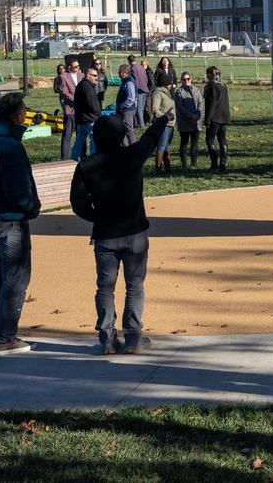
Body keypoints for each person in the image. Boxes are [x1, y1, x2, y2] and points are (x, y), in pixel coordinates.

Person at [69, 108, 172, 355]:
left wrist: (98, 216)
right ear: (120, 137)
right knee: (134, 286)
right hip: (134, 231)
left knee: (105, 287)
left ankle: (106, 338)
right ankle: (133, 338)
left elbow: (78, 203)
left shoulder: (86, 166)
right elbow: (150, 138)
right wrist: (162, 119)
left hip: (105, 233)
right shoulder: (132, 156)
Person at [0, 93, 41, 356]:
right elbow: (17, 189)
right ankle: (5, 337)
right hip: (9, 220)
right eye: (23, 111)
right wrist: (31, 206)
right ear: (14, 115)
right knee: (14, 279)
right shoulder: (9, 146)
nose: (26, 115)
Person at [203, 65, 231, 172]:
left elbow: (212, 103)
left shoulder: (212, 86)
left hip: (214, 117)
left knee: (210, 140)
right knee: (222, 139)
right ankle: (222, 165)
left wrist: (208, 119)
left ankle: (214, 165)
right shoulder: (223, 86)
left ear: (210, 75)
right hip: (224, 116)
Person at [71, 65, 101, 162]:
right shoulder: (86, 86)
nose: (96, 78)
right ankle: (93, 159)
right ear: (88, 75)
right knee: (94, 138)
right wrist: (98, 112)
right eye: (94, 75)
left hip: (82, 118)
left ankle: (74, 158)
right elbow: (92, 103)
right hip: (89, 118)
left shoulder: (82, 85)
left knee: (80, 139)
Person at [174, 71, 203, 169]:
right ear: (181, 81)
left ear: (191, 79)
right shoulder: (179, 91)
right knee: (184, 143)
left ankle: (194, 163)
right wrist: (191, 116)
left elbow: (200, 103)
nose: (186, 81)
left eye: (188, 79)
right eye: (184, 79)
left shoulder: (196, 90)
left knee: (195, 143)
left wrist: (198, 115)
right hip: (185, 121)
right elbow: (180, 107)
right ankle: (184, 163)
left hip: (196, 122)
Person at [149, 73, 176, 172]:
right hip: (163, 123)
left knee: (166, 145)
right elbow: (155, 109)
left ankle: (168, 166)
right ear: (165, 83)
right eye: (169, 83)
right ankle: (158, 168)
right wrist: (165, 117)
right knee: (162, 145)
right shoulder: (158, 93)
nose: (171, 85)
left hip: (170, 124)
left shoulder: (168, 93)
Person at [58, 58, 82, 160]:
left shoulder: (81, 75)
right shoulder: (63, 77)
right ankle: (64, 158)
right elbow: (64, 92)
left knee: (80, 134)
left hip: (81, 109)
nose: (78, 68)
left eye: (78, 66)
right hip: (70, 109)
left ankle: (79, 155)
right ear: (69, 67)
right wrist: (75, 100)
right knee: (67, 134)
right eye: (75, 67)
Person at [116, 64, 138, 142]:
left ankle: (134, 149)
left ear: (125, 73)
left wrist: (122, 105)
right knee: (123, 130)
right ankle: (126, 149)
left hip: (128, 110)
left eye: (119, 72)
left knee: (129, 131)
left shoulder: (129, 82)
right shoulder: (125, 81)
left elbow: (131, 98)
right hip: (125, 110)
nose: (118, 73)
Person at [127, 55, 149, 128]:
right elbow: (146, 78)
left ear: (129, 61)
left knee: (139, 108)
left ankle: (141, 125)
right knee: (142, 108)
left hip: (139, 90)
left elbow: (135, 80)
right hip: (145, 89)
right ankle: (140, 123)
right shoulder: (141, 67)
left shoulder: (132, 68)